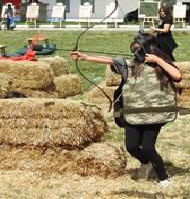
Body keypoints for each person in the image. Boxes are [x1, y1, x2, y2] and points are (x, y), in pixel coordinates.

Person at [70, 38, 182, 188]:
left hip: (155, 115)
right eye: (134, 49)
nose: (136, 53)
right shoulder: (129, 66)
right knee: (132, 146)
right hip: (133, 114)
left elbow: (177, 76)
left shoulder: (161, 65)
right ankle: (146, 162)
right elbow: (110, 60)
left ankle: (164, 178)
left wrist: (158, 61)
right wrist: (85, 57)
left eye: (139, 49)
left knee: (148, 147)